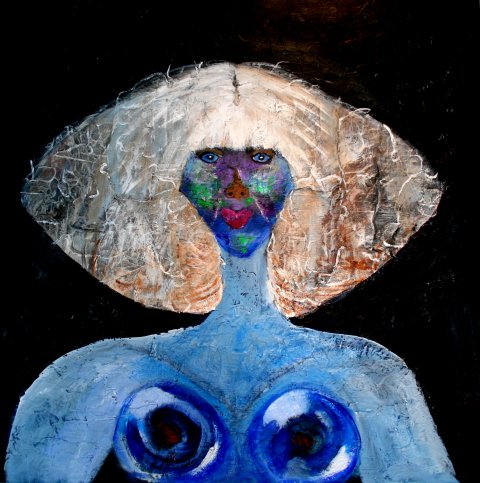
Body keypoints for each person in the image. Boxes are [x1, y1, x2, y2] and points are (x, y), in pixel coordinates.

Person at [7, 63, 456, 482]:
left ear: (300, 176)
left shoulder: (369, 374)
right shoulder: (96, 372)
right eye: (209, 157)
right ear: (172, 178)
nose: (235, 185)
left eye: (260, 157)